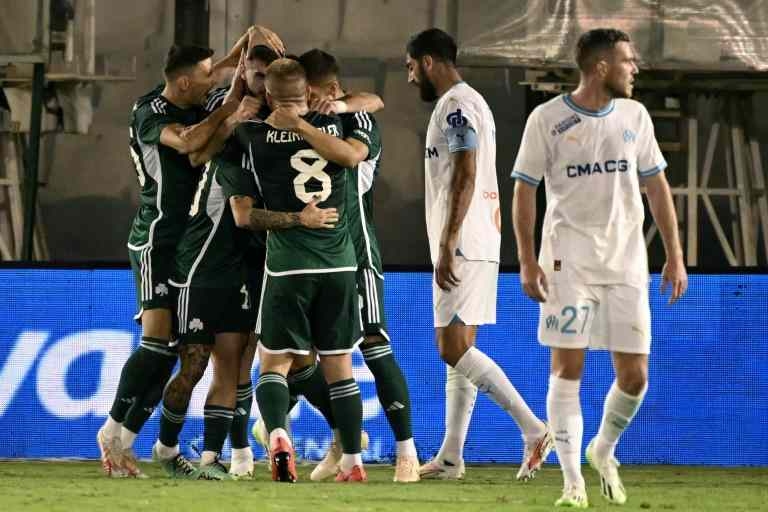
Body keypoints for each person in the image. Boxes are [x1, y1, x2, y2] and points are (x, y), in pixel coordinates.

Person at [511, 28, 688, 508]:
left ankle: (602, 450)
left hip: (628, 263)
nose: (636, 69)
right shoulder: (547, 119)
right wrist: (527, 260)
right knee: (567, 369)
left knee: (635, 376)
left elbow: (656, 186)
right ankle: (572, 483)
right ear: (602, 67)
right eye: (629, 61)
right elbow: (524, 189)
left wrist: (674, 253)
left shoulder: (635, 116)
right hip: (568, 261)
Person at [405, 28, 552, 481]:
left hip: (465, 242)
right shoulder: (473, 103)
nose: (410, 78)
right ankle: (451, 457)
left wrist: (449, 242)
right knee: (460, 348)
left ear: (429, 61)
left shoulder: (455, 106)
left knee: (451, 347)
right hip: (479, 239)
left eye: (411, 67)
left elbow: (466, 173)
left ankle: (533, 429)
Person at [272, 48, 419, 483]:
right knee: (304, 356)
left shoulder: (356, 120)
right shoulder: (305, 121)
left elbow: (372, 103)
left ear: (331, 92)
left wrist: (341, 106)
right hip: (310, 256)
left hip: (357, 253)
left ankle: (406, 452)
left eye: (311, 96)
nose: (303, 104)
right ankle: (342, 439)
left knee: (373, 345)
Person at [97, 43, 239, 478]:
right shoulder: (150, 111)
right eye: (205, 76)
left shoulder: (193, 94)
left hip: (188, 244)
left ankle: (128, 441)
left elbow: (215, 72)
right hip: (156, 236)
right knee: (156, 344)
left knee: (174, 353)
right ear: (183, 82)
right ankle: (111, 430)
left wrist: (245, 43)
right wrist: (229, 108)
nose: (212, 80)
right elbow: (189, 141)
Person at [231, 58, 367, 483]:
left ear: (269, 95)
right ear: (310, 91)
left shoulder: (251, 138)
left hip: (288, 268)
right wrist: (308, 123)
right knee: (340, 368)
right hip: (340, 264)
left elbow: (244, 215)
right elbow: (351, 155)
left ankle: (276, 435)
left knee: (273, 364)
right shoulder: (340, 126)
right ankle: (353, 463)